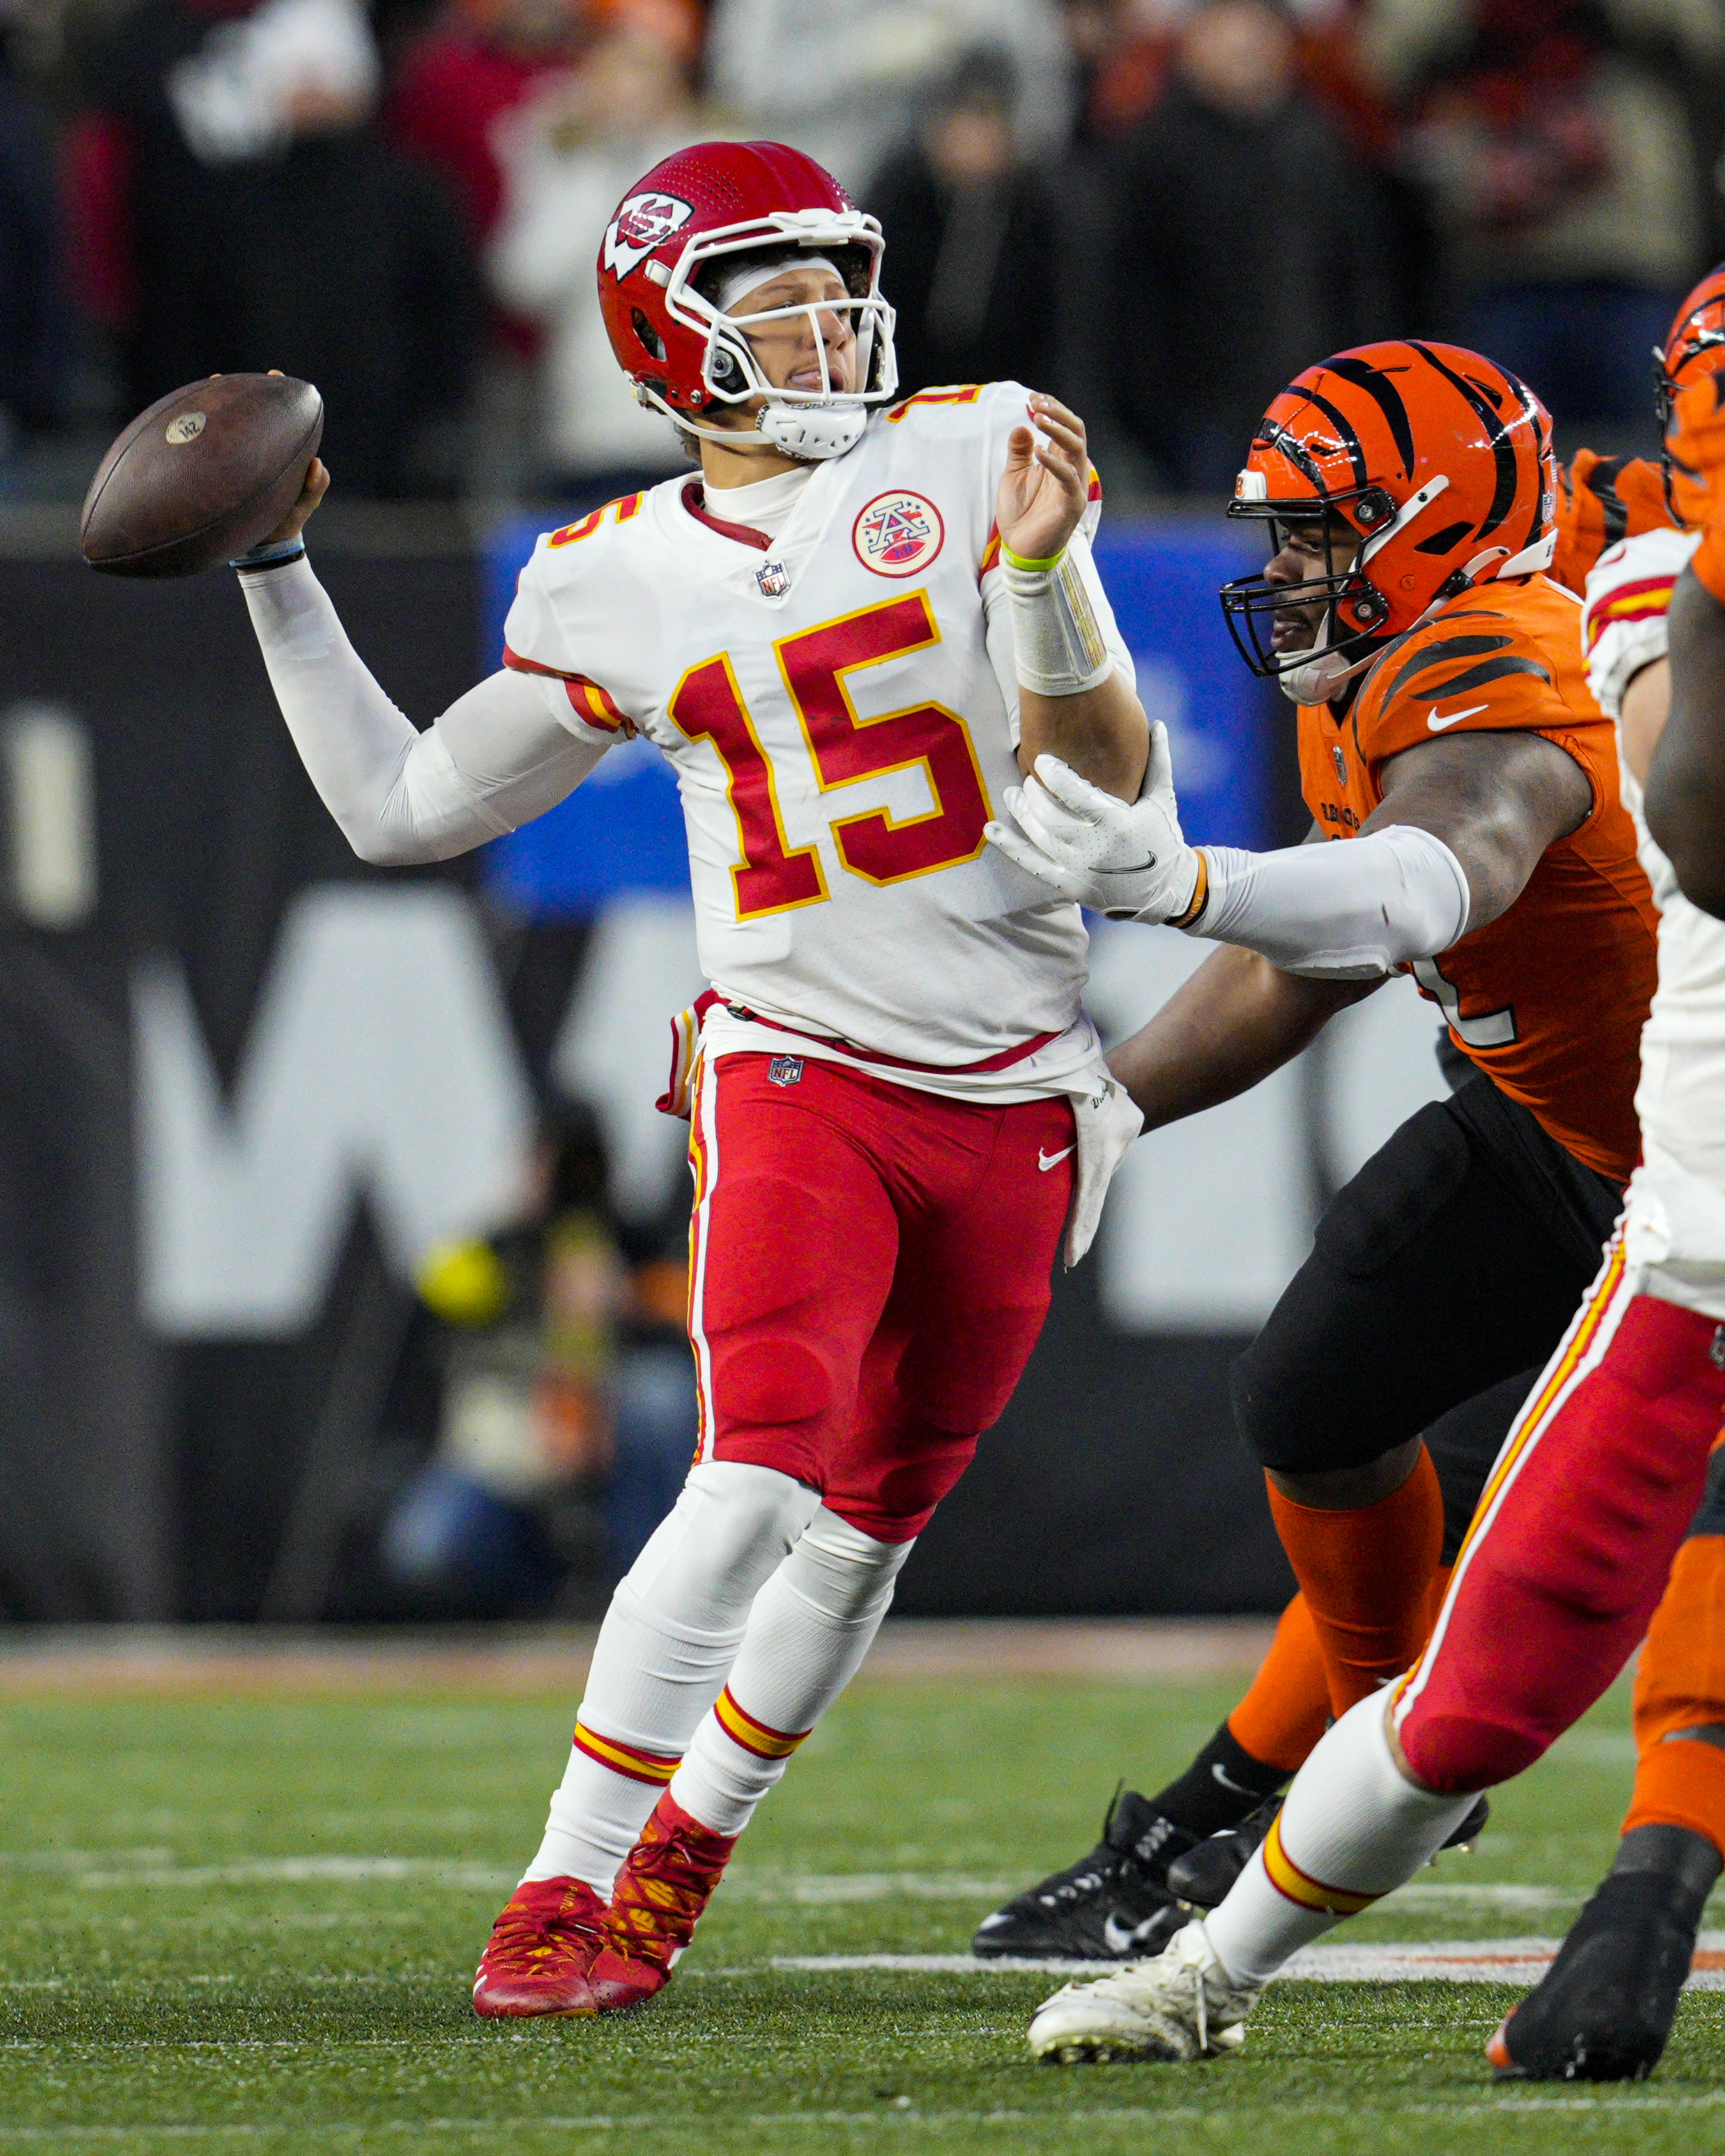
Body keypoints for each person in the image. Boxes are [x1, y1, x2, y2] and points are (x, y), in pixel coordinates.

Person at [224, 139, 1150, 2018]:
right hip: (796, 1057)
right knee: (747, 1478)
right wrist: (274, 568)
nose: (824, 324)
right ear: (667, 336)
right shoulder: (609, 579)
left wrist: (1046, 587)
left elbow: (1114, 791)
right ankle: (557, 1892)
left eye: (834, 285)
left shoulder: (983, 450)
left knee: (873, 1523)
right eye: (772, 296)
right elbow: (398, 808)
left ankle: (677, 1868)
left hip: (1023, 1077)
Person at [1019, 270, 1725, 2077]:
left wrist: (1177, 879)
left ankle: (1623, 1869)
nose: (1293, 573)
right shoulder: (1421, 652)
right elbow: (1317, 950)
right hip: (1561, 1125)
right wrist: (1109, 1097)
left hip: (1681, 1169)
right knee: (1316, 1390)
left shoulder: (1510, 641)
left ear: (1438, 526)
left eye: (1328, 533)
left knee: (1633, 1547)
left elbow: (1429, 881)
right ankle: (1362, 1743)